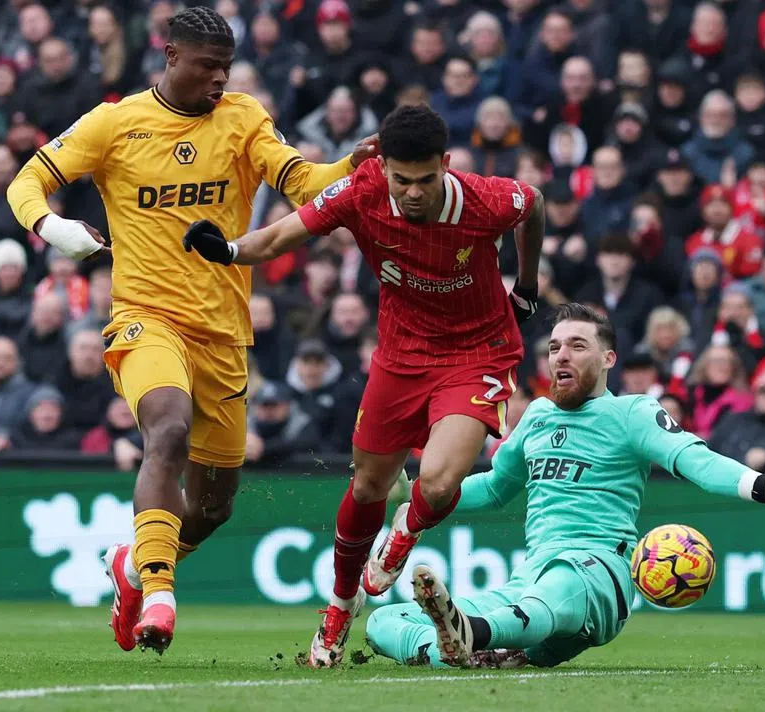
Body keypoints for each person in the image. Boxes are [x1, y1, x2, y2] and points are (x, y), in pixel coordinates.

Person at [5, 5, 379, 656]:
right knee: (168, 429)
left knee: (211, 509)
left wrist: (352, 164)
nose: (219, 79)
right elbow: (27, 180)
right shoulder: (115, 123)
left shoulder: (244, 118)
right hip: (145, 318)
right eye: (208, 67)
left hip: (224, 335)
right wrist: (53, 227)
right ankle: (159, 595)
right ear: (171, 56)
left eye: (226, 68)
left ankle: (132, 565)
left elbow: (302, 184)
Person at [182, 103, 545, 667]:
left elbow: (534, 203)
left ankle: (405, 532)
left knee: (439, 483)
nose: (413, 193)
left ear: (446, 165)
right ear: (384, 168)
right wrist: (228, 250)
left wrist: (527, 284)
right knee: (369, 485)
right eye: (402, 180)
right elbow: (279, 238)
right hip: (400, 357)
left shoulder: (485, 200)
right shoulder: (363, 189)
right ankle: (339, 607)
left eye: (426, 180)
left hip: (478, 353)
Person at [364, 303, 765, 668]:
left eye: (577, 346)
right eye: (554, 347)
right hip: (530, 577)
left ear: (608, 359)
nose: (561, 355)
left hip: (599, 571)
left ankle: (475, 633)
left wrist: (762, 486)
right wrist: (420, 494)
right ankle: (462, 649)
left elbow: (694, 460)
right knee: (385, 621)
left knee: (556, 587)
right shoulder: (537, 417)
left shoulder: (632, 414)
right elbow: (494, 488)